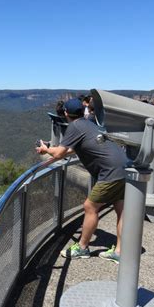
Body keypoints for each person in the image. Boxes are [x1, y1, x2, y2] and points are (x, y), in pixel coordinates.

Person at [36, 98, 127, 264]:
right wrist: (49, 148)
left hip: (110, 172)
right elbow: (70, 149)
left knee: (90, 206)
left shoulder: (74, 126)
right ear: (83, 111)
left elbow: (59, 154)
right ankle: (121, 251)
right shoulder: (87, 124)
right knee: (121, 209)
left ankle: (83, 247)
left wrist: (46, 149)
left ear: (65, 113)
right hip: (123, 167)